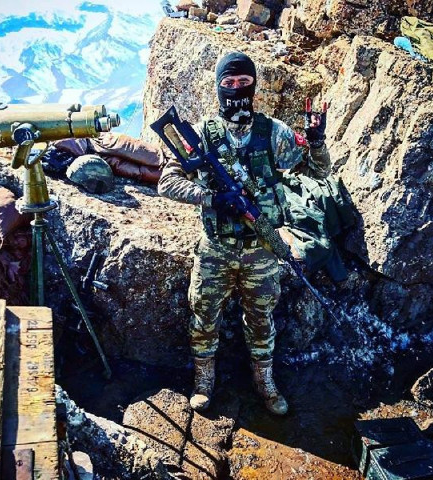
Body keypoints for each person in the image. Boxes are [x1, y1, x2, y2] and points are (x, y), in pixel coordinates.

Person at [157, 51, 331, 415]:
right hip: (215, 248)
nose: (236, 88)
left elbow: (317, 173)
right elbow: (167, 183)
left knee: (261, 318)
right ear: (218, 87)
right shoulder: (200, 134)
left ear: (254, 86)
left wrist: (316, 142)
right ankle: (203, 381)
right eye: (229, 82)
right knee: (204, 314)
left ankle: (264, 382)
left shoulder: (273, 132)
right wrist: (210, 198)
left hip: (261, 248)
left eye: (244, 82)